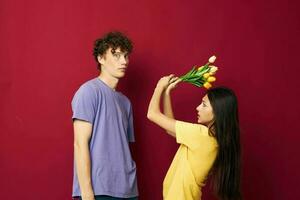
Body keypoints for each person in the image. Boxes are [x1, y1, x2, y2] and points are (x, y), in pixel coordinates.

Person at [147, 75, 241, 200]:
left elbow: (152, 114)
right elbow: (170, 129)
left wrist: (159, 86)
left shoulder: (201, 134)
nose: (198, 108)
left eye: (204, 105)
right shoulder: (211, 140)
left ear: (217, 112)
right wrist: (167, 92)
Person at [71, 31, 138, 200]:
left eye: (126, 56)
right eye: (116, 55)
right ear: (101, 58)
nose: (123, 61)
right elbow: (80, 144)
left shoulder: (126, 103)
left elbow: (122, 148)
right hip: (99, 190)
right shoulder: (88, 91)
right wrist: (87, 193)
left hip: (128, 190)